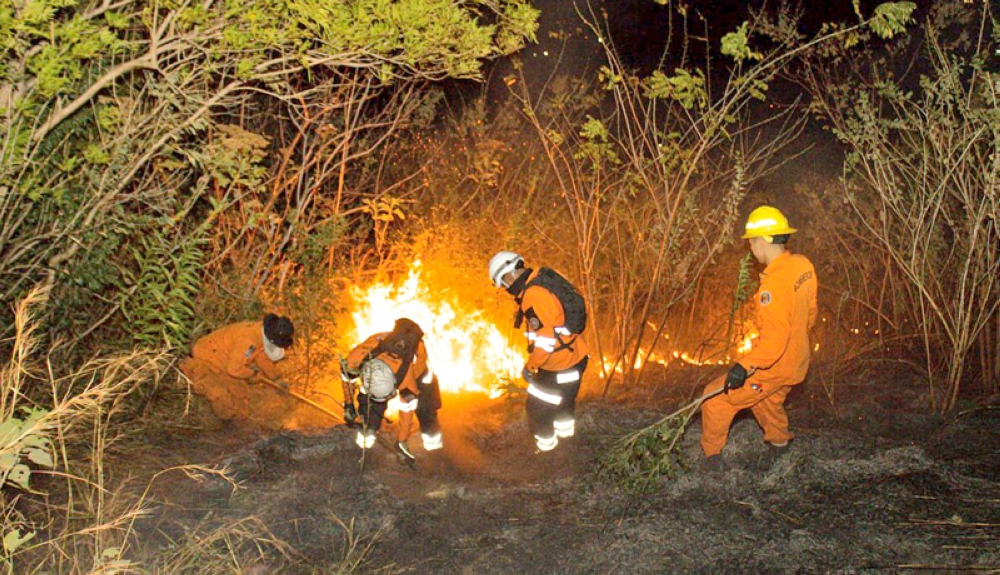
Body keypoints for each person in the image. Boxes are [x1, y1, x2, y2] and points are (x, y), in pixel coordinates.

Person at [699, 206, 818, 470]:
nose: (751, 249)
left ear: (762, 240)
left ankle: (711, 461)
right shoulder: (802, 265)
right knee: (765, 398)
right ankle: (779, 445)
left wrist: (744, 366)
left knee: (714, 399)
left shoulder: (772, 286)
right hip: (799, 360)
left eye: (751, 242)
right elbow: (811, 313)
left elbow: (774, 342)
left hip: (777, 364)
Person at [489, 251, 589, 453]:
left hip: (558, 365)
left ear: (508, 275)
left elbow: (545, 341)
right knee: (564, 404)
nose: (505, 288)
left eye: (503, 283)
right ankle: (567, 447)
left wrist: (531, 366)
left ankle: (548, 454)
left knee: (537, 411)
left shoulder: (533, 296)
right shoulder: (540, 280)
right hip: (575, 358)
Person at [341, 318, 443, 461]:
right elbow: (346, 377)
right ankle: (365, 450)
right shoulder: (358, 357)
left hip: (420, 376)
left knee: (426, 410)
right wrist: (348, 404)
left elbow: (407, 412)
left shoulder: (407, 379)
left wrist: (401, 442)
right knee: (369, 411)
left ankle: (436, 455)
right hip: (379, 376)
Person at [180, 314, 295, 428]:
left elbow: (261, 356)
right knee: (225, 399)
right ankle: (226, 428)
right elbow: (234, 369)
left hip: (226, 361)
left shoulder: (260, 333)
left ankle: (235, 422)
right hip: (207, 359)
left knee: (242, 396)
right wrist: (252, 374)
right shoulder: (248, 342)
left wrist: (276, 378)